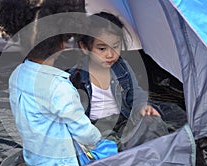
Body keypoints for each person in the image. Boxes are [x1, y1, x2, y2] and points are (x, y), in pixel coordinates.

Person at [0, 0, 103, 166]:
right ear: (62, 43)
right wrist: (99, 140)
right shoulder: (59, 87)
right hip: (62, 164)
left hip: (34, 159)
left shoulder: (16, 75)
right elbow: (81, 130)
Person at [68, 12, 164, 150]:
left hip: (123, 122)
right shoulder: (76, 77)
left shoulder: (122, 68)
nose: (110, 54)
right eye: (102, 48)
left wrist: (142, 107)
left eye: (115, 46)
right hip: (95, 129)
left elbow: (136, 95)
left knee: (153, 124)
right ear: (85, 48)